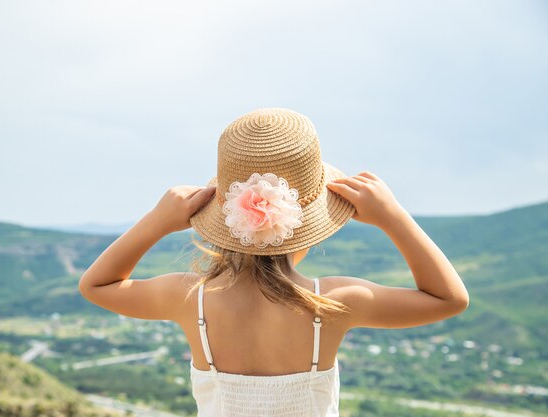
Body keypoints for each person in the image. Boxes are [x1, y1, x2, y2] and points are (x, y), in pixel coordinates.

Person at [78, 107, 470, 416]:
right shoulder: (334, 302)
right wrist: (393, 216)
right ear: (311, 223)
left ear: (223, 213)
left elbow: (96, 285)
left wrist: (157, 221)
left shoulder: (189, 298)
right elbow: (449, 299)